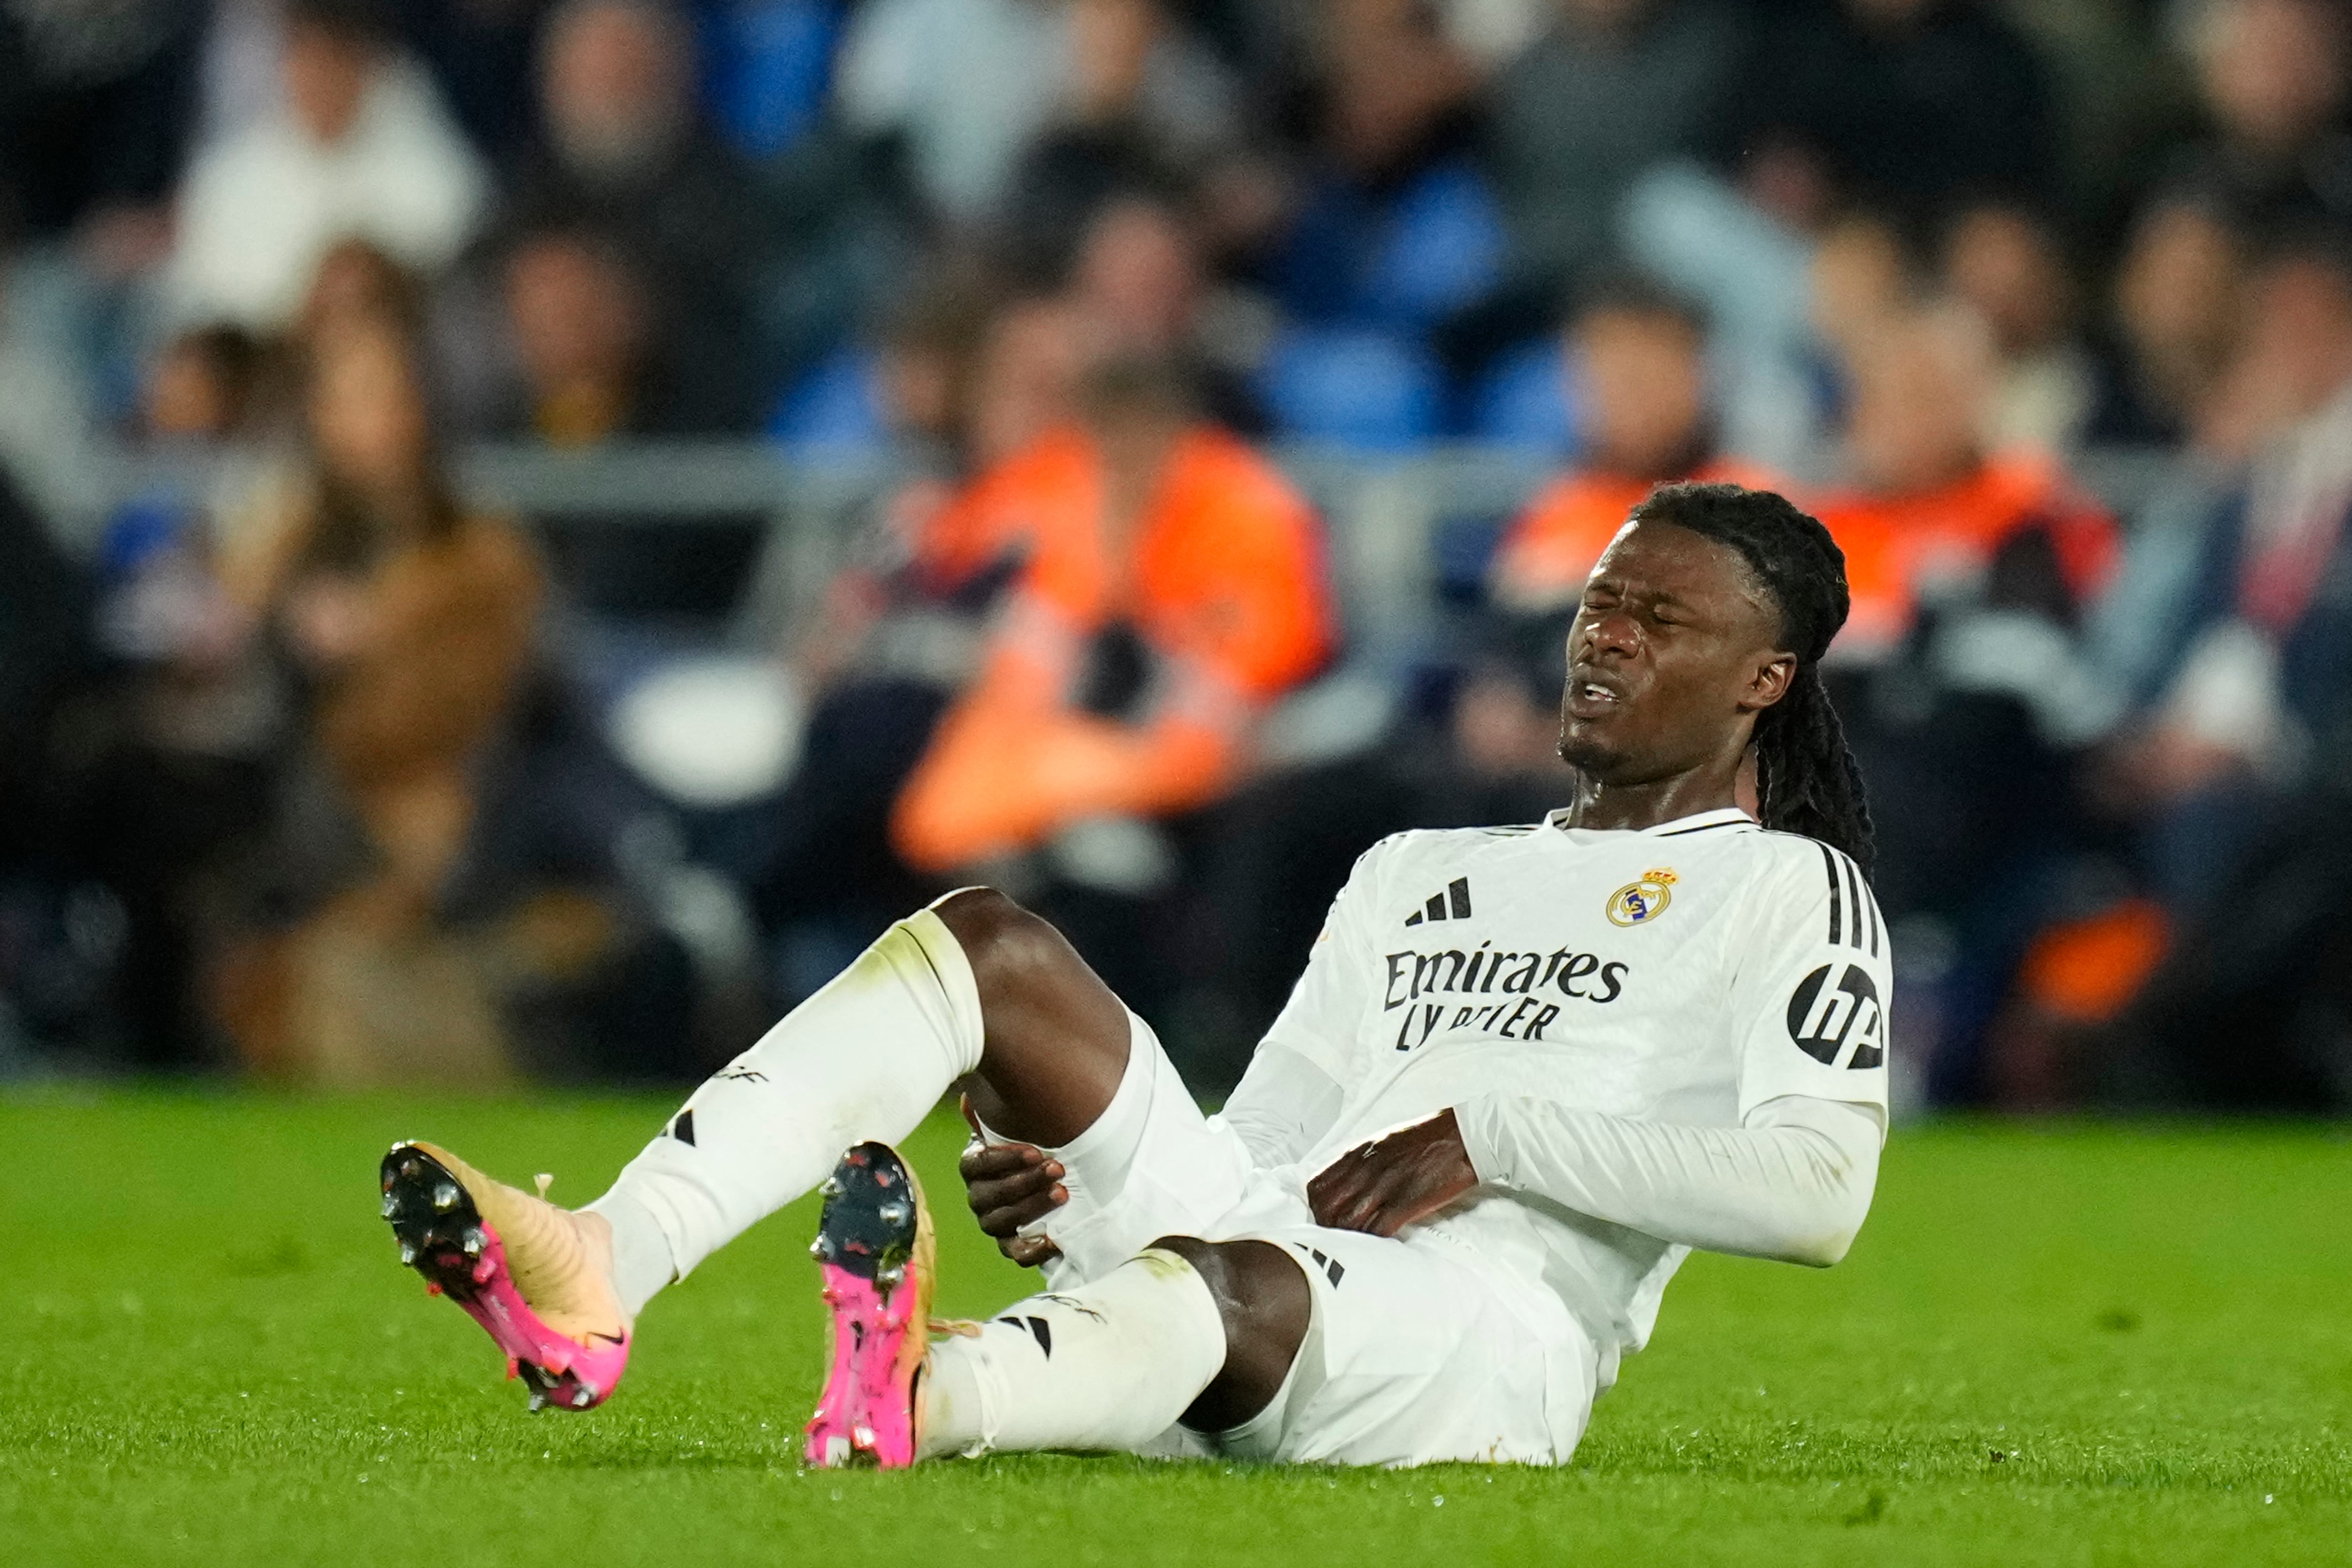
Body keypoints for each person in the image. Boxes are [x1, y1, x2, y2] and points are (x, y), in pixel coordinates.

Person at [376, 480, 1890, 1470]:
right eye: (1598, 603)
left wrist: (1493, 1135)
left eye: (1660, 618)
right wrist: (1074, 1197)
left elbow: (1818, 1196)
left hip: (1484, 1339)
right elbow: (1267, 1153)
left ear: (1763, 679)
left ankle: (927, 1395)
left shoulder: (1788, 887)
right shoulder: (1422, 867)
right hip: (1273, 1253)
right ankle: (603, 1262)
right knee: (988, 944)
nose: (1604, 639)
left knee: (1229, 1282)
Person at [165, 0, 487, 331]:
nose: (319, 81)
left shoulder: (429, 171)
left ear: (366, 68)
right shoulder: (227, 181)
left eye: (334, 61)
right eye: (305, 61)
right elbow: (203, 309)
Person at [1489, 278, 1782, 611]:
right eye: (1615, 375)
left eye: (1653, 372)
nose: (1635, 398)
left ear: (1700, 377)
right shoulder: (1554, 515)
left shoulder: (1756, 503)